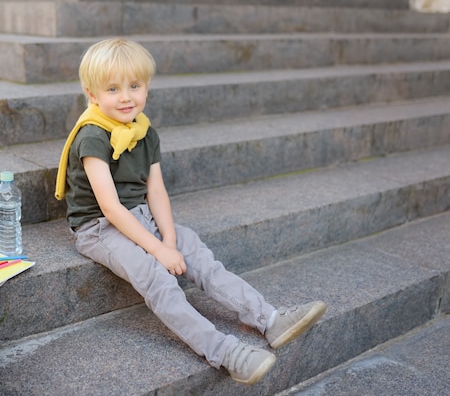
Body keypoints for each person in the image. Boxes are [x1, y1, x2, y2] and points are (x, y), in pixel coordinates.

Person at [55, 37, 327, 385]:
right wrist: (158, 250)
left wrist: (169, 238)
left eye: (135, 86)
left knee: (196, 252)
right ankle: (225, 351)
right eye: (113, 89)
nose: (126, 97)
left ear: (147, 87)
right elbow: (110, 207)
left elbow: (156, 190)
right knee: (157, 277)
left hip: (142, 216)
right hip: (100, 227)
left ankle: (270, 319)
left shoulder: (144, 131)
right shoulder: (92, 137)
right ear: (93, 95)